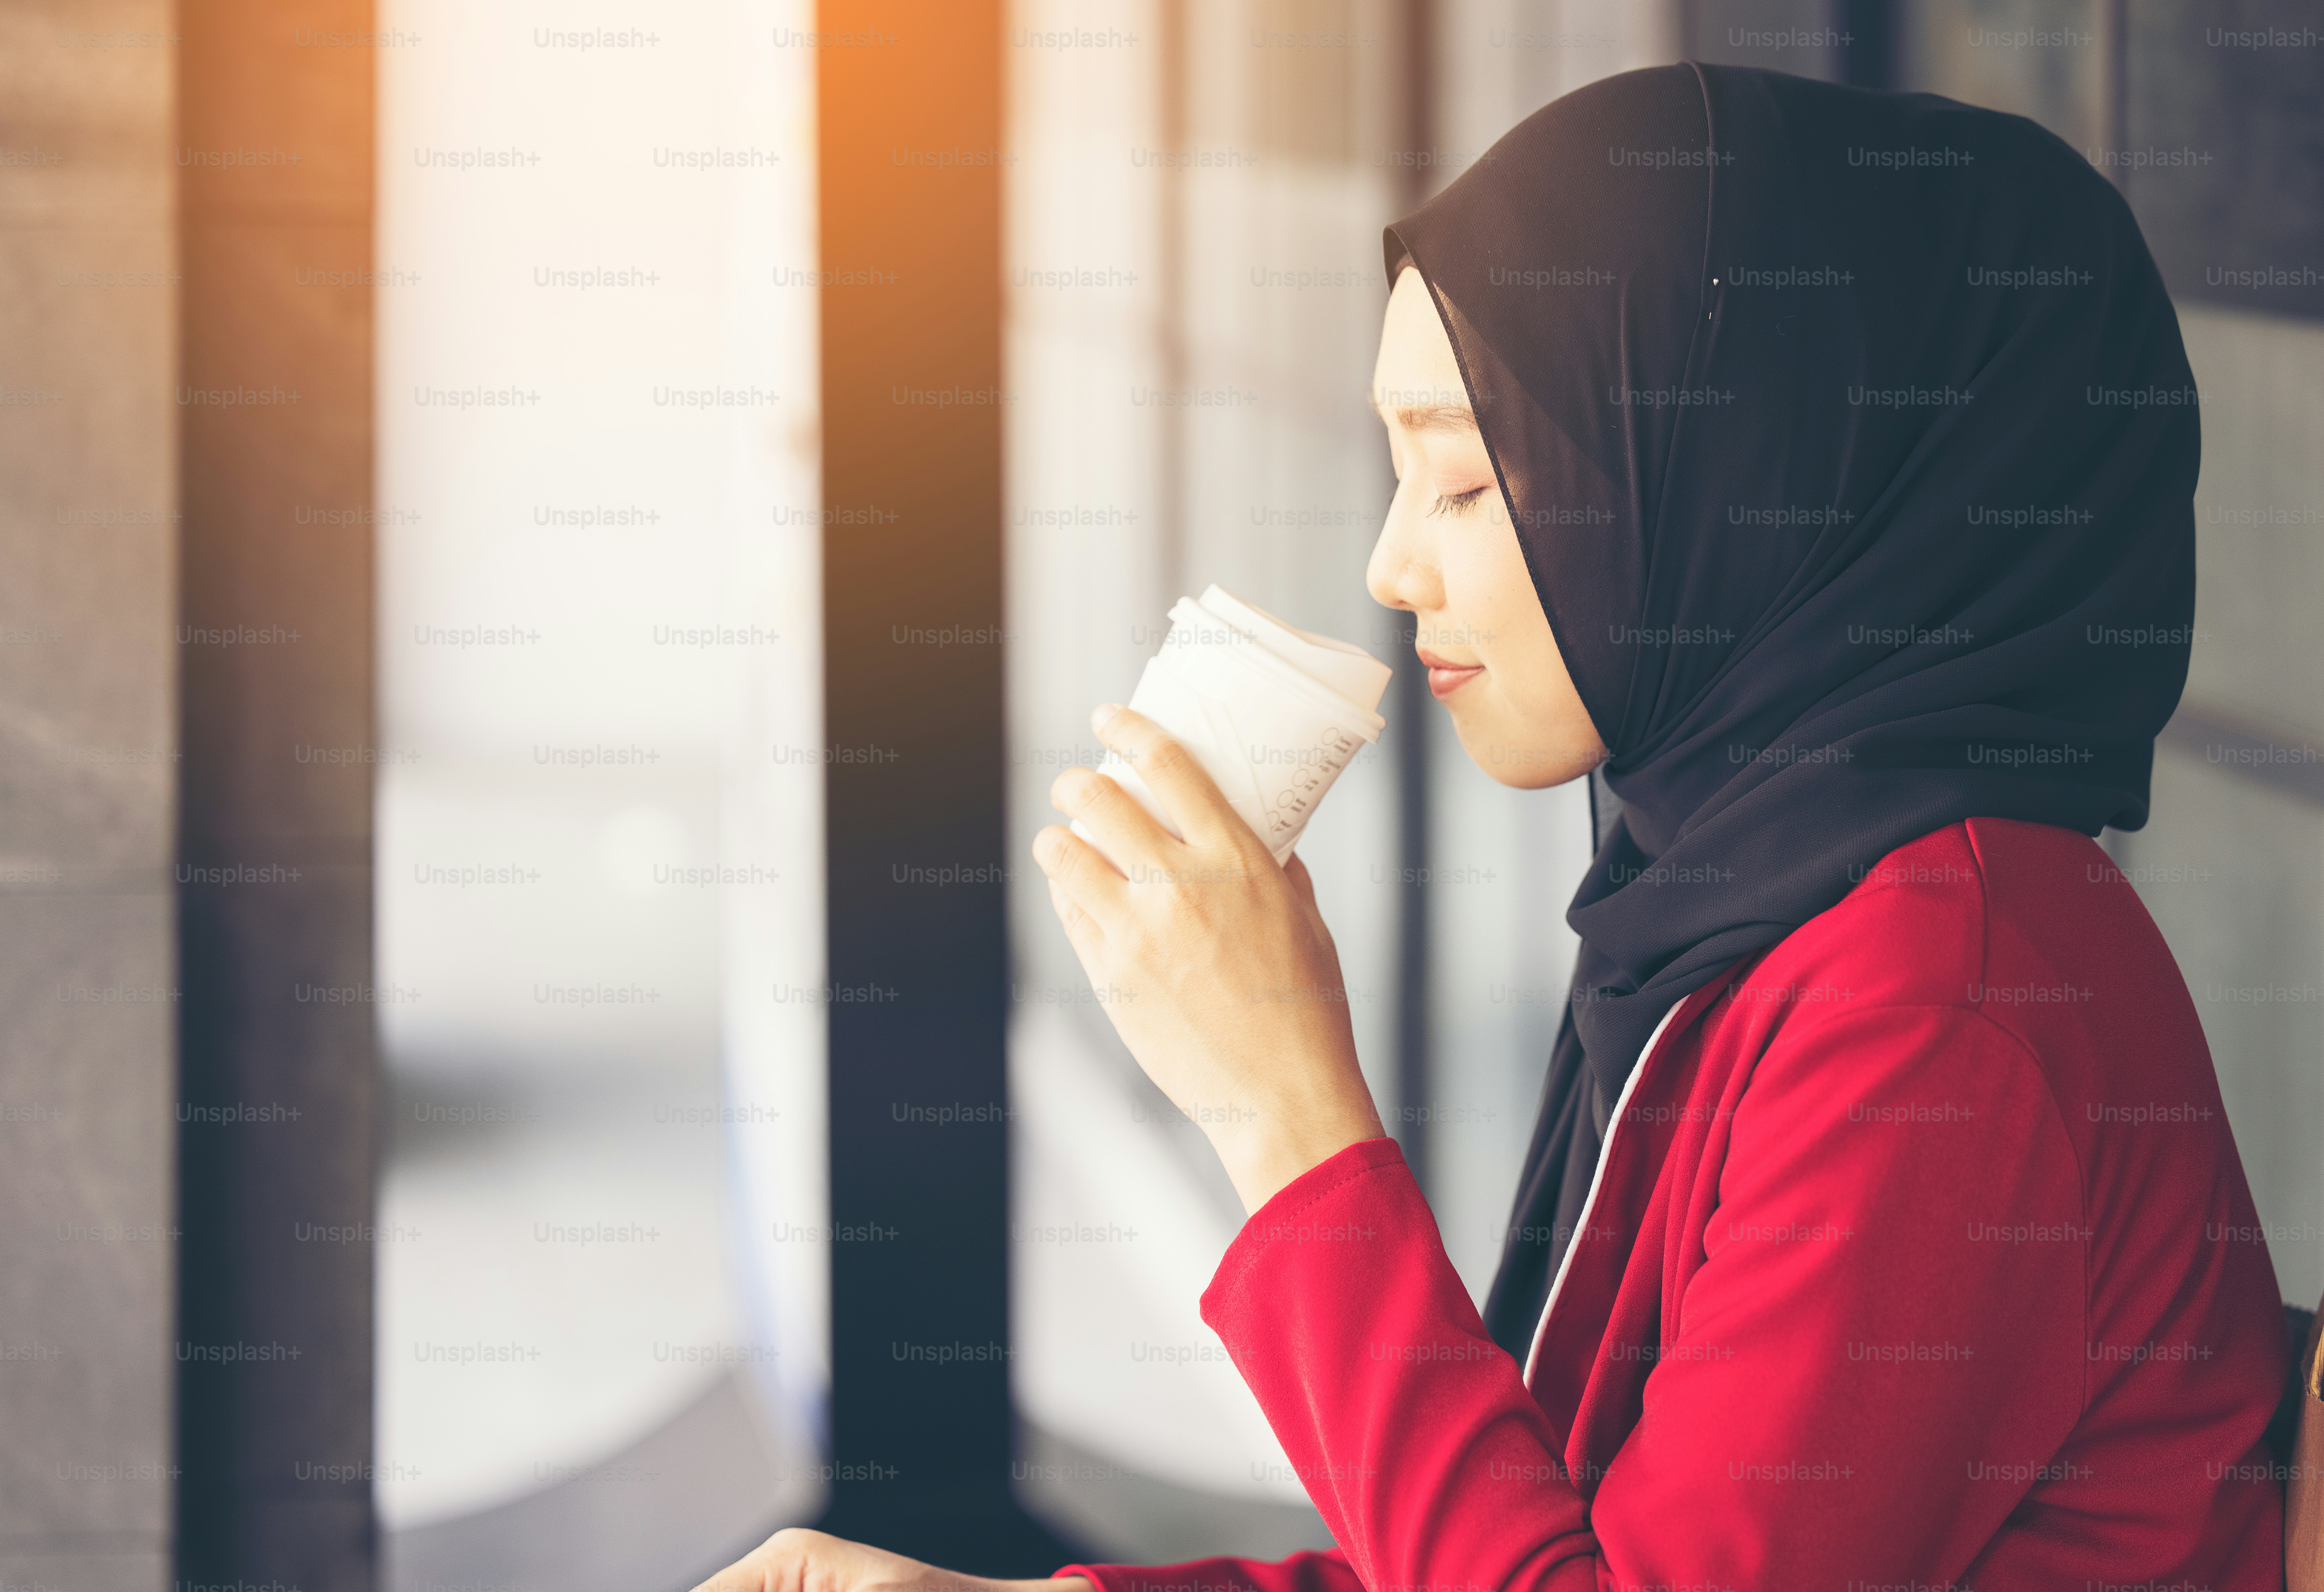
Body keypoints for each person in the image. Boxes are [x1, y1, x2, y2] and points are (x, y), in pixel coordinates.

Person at [698, 62, 2286, 1592]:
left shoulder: (1943, 1004)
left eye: (1465, 483)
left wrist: (1287, 1113)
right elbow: (1535, 1546)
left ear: (1738, 479)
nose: (1394, 567)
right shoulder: (1740, 910)